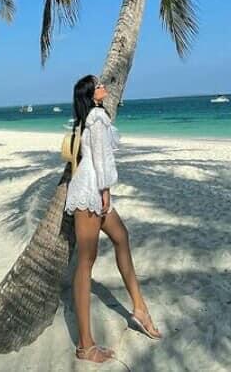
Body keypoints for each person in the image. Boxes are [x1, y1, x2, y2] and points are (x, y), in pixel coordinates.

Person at [65, 74, 162, 364]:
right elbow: (101, 159)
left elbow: (100, 153)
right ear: (90, 94)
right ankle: (85, 345)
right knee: (86, 263)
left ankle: (139, 308)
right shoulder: (95, 118)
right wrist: (105, 191)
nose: (103, 86)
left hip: (95, 189)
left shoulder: (94, 117)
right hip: (91, 191)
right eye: (97, 85)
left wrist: (104, 191)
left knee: (121, 237)